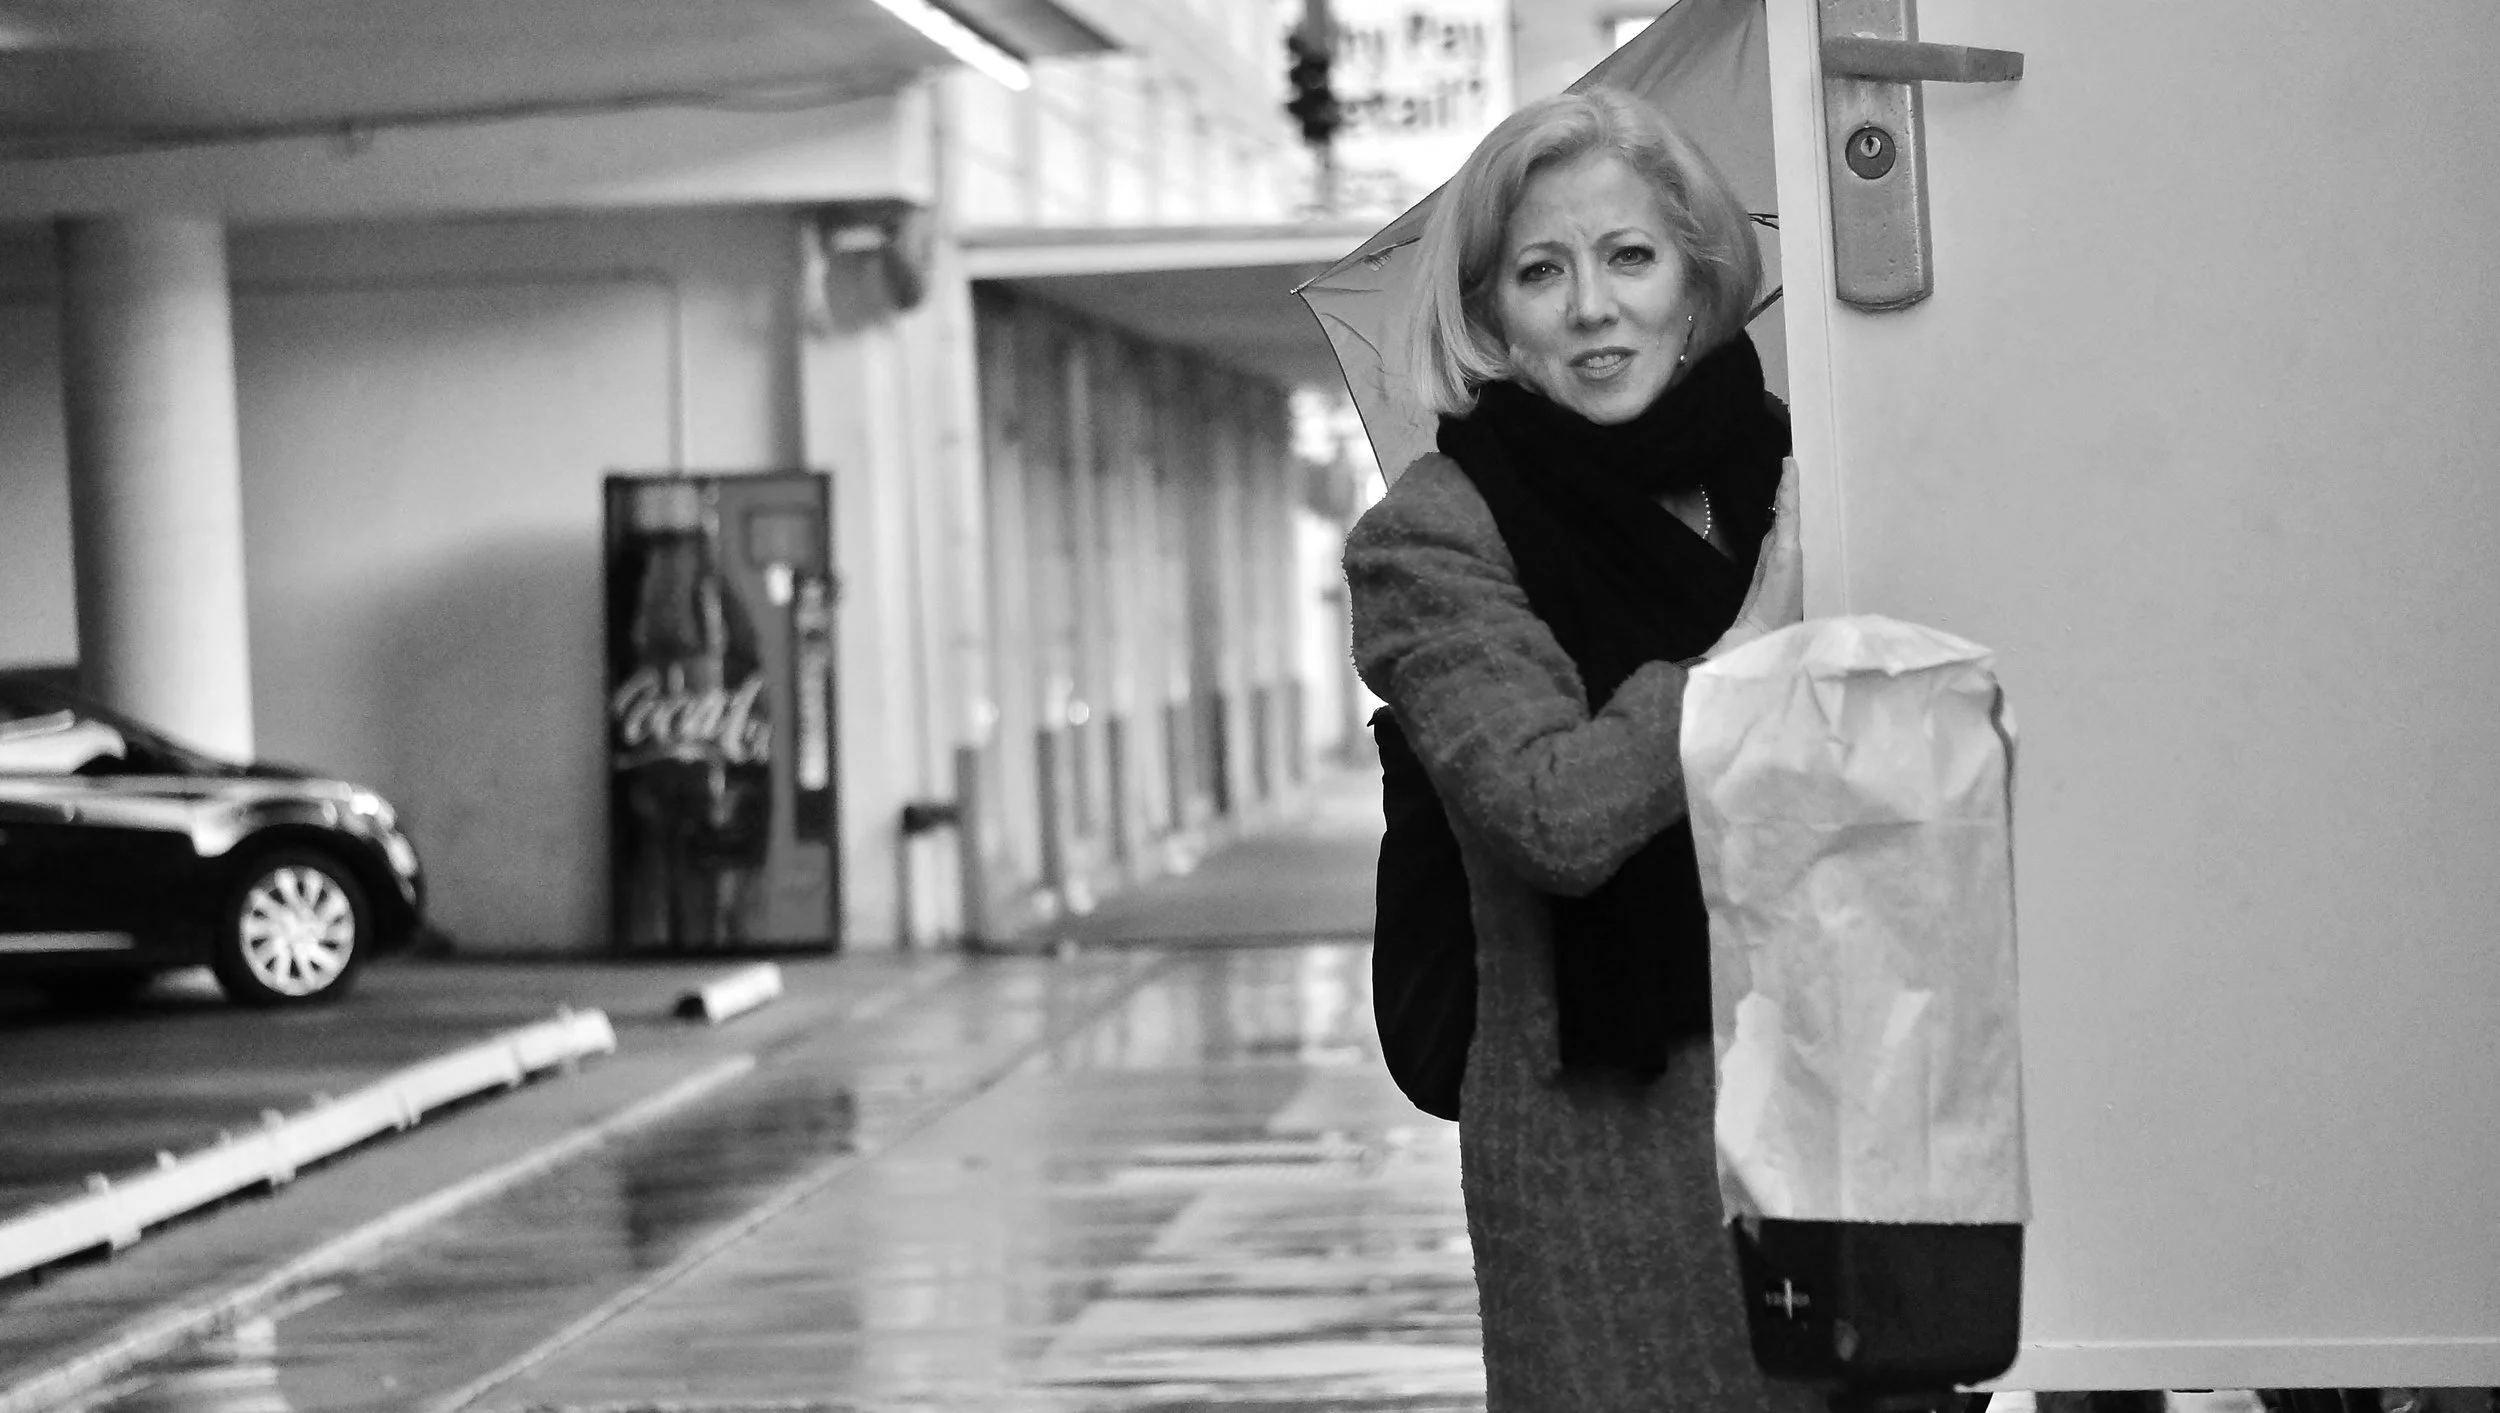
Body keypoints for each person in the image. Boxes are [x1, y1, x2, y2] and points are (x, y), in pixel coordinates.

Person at [1343, 87, 1806, 1409]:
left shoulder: (1804, 473)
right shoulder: (1435, 538)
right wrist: (1749, 649)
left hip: (1851, 1116)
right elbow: (1554, 811)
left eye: (1630, 257)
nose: (1594, 306)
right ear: (1489, 316)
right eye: (1543, 271)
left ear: (1699, 280)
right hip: (1615, 1178)